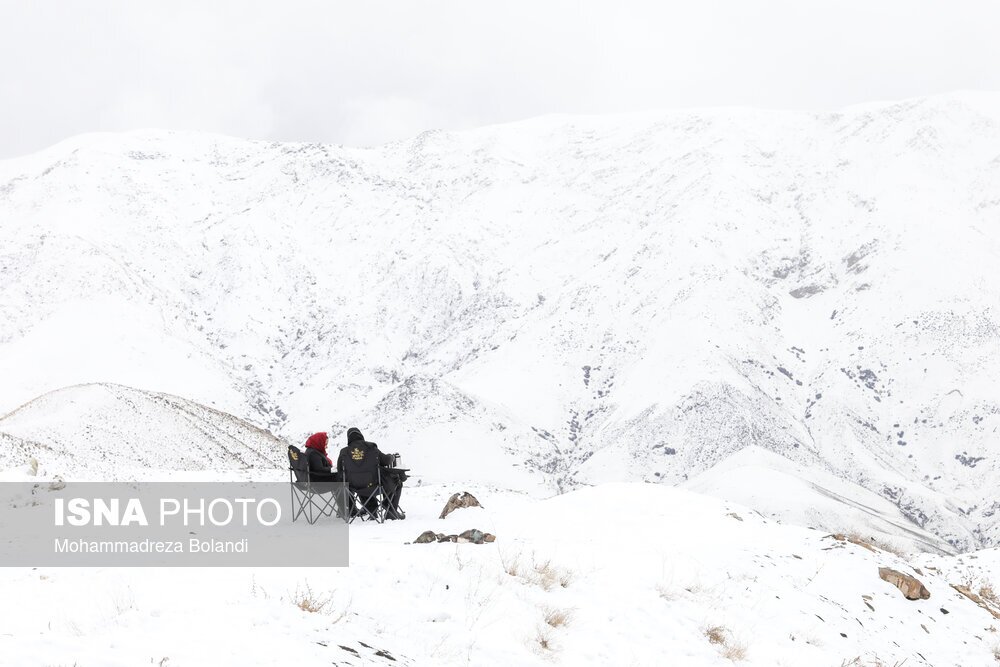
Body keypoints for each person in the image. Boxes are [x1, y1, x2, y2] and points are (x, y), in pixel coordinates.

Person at [337, 427, 405, 520]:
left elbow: (340, 470)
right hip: (376, 485)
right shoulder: (371, 447)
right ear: (361, 436)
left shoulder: (344, 452)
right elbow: (386, 461)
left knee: (362, 482)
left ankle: (372, 511)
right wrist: (391, 457)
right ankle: (390, 511)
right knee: (396, 480)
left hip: (356, 487)